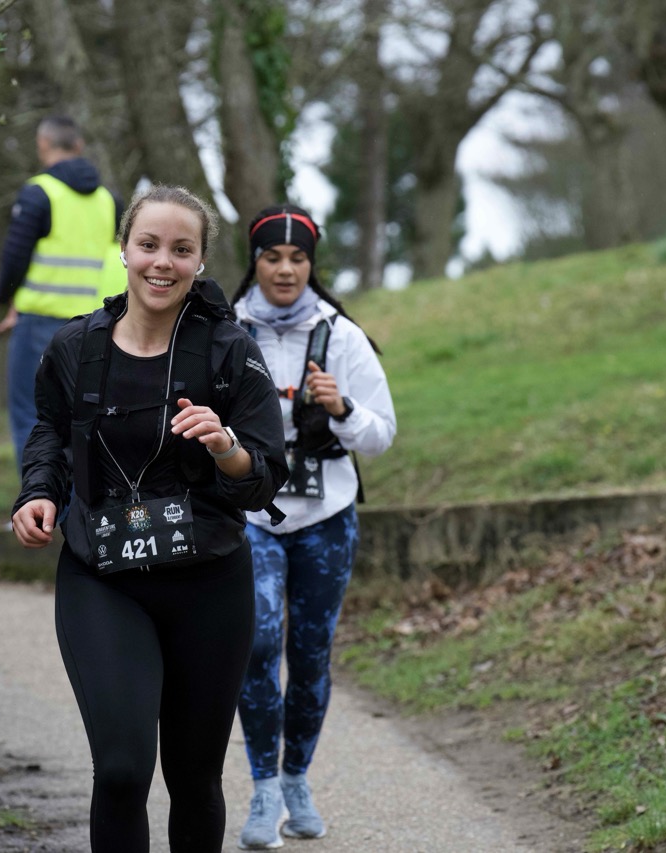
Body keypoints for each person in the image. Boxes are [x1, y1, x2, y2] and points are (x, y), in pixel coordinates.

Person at [10, 185, 290, 852]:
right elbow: (51, 432)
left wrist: (225, 446)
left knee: (194, 778)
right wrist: (37, 493)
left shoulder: (230, 352)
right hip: (103, 578)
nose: (163, 261)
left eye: (181, 249)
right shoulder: (75, 346)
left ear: (200, 261)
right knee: (121, 769)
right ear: (125, 250)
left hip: (209, 583)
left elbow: (264, 479)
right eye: (149, 244)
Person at [230, 204, 396, 848]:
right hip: (250, 515)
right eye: (273, 257)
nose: (285, 270)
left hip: (326, 518)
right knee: (257, 643)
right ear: (255, 262)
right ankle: (263, 790)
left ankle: (296, 778)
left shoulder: (341, 336)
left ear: (311, 265)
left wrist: (343, 408)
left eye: (297, 259)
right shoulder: (225, 331)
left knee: (309, 654)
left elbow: (381, 435)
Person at [0, 115, 125, 470]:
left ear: (43, 145)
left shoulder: (38, 193)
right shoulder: (110, 200)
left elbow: (16, 257)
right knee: (84, 420)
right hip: (95, 326)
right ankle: (80, 502)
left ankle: (39, 497)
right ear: (79, 145)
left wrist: (1, 297)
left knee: (33, 417)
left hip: (39, 327)